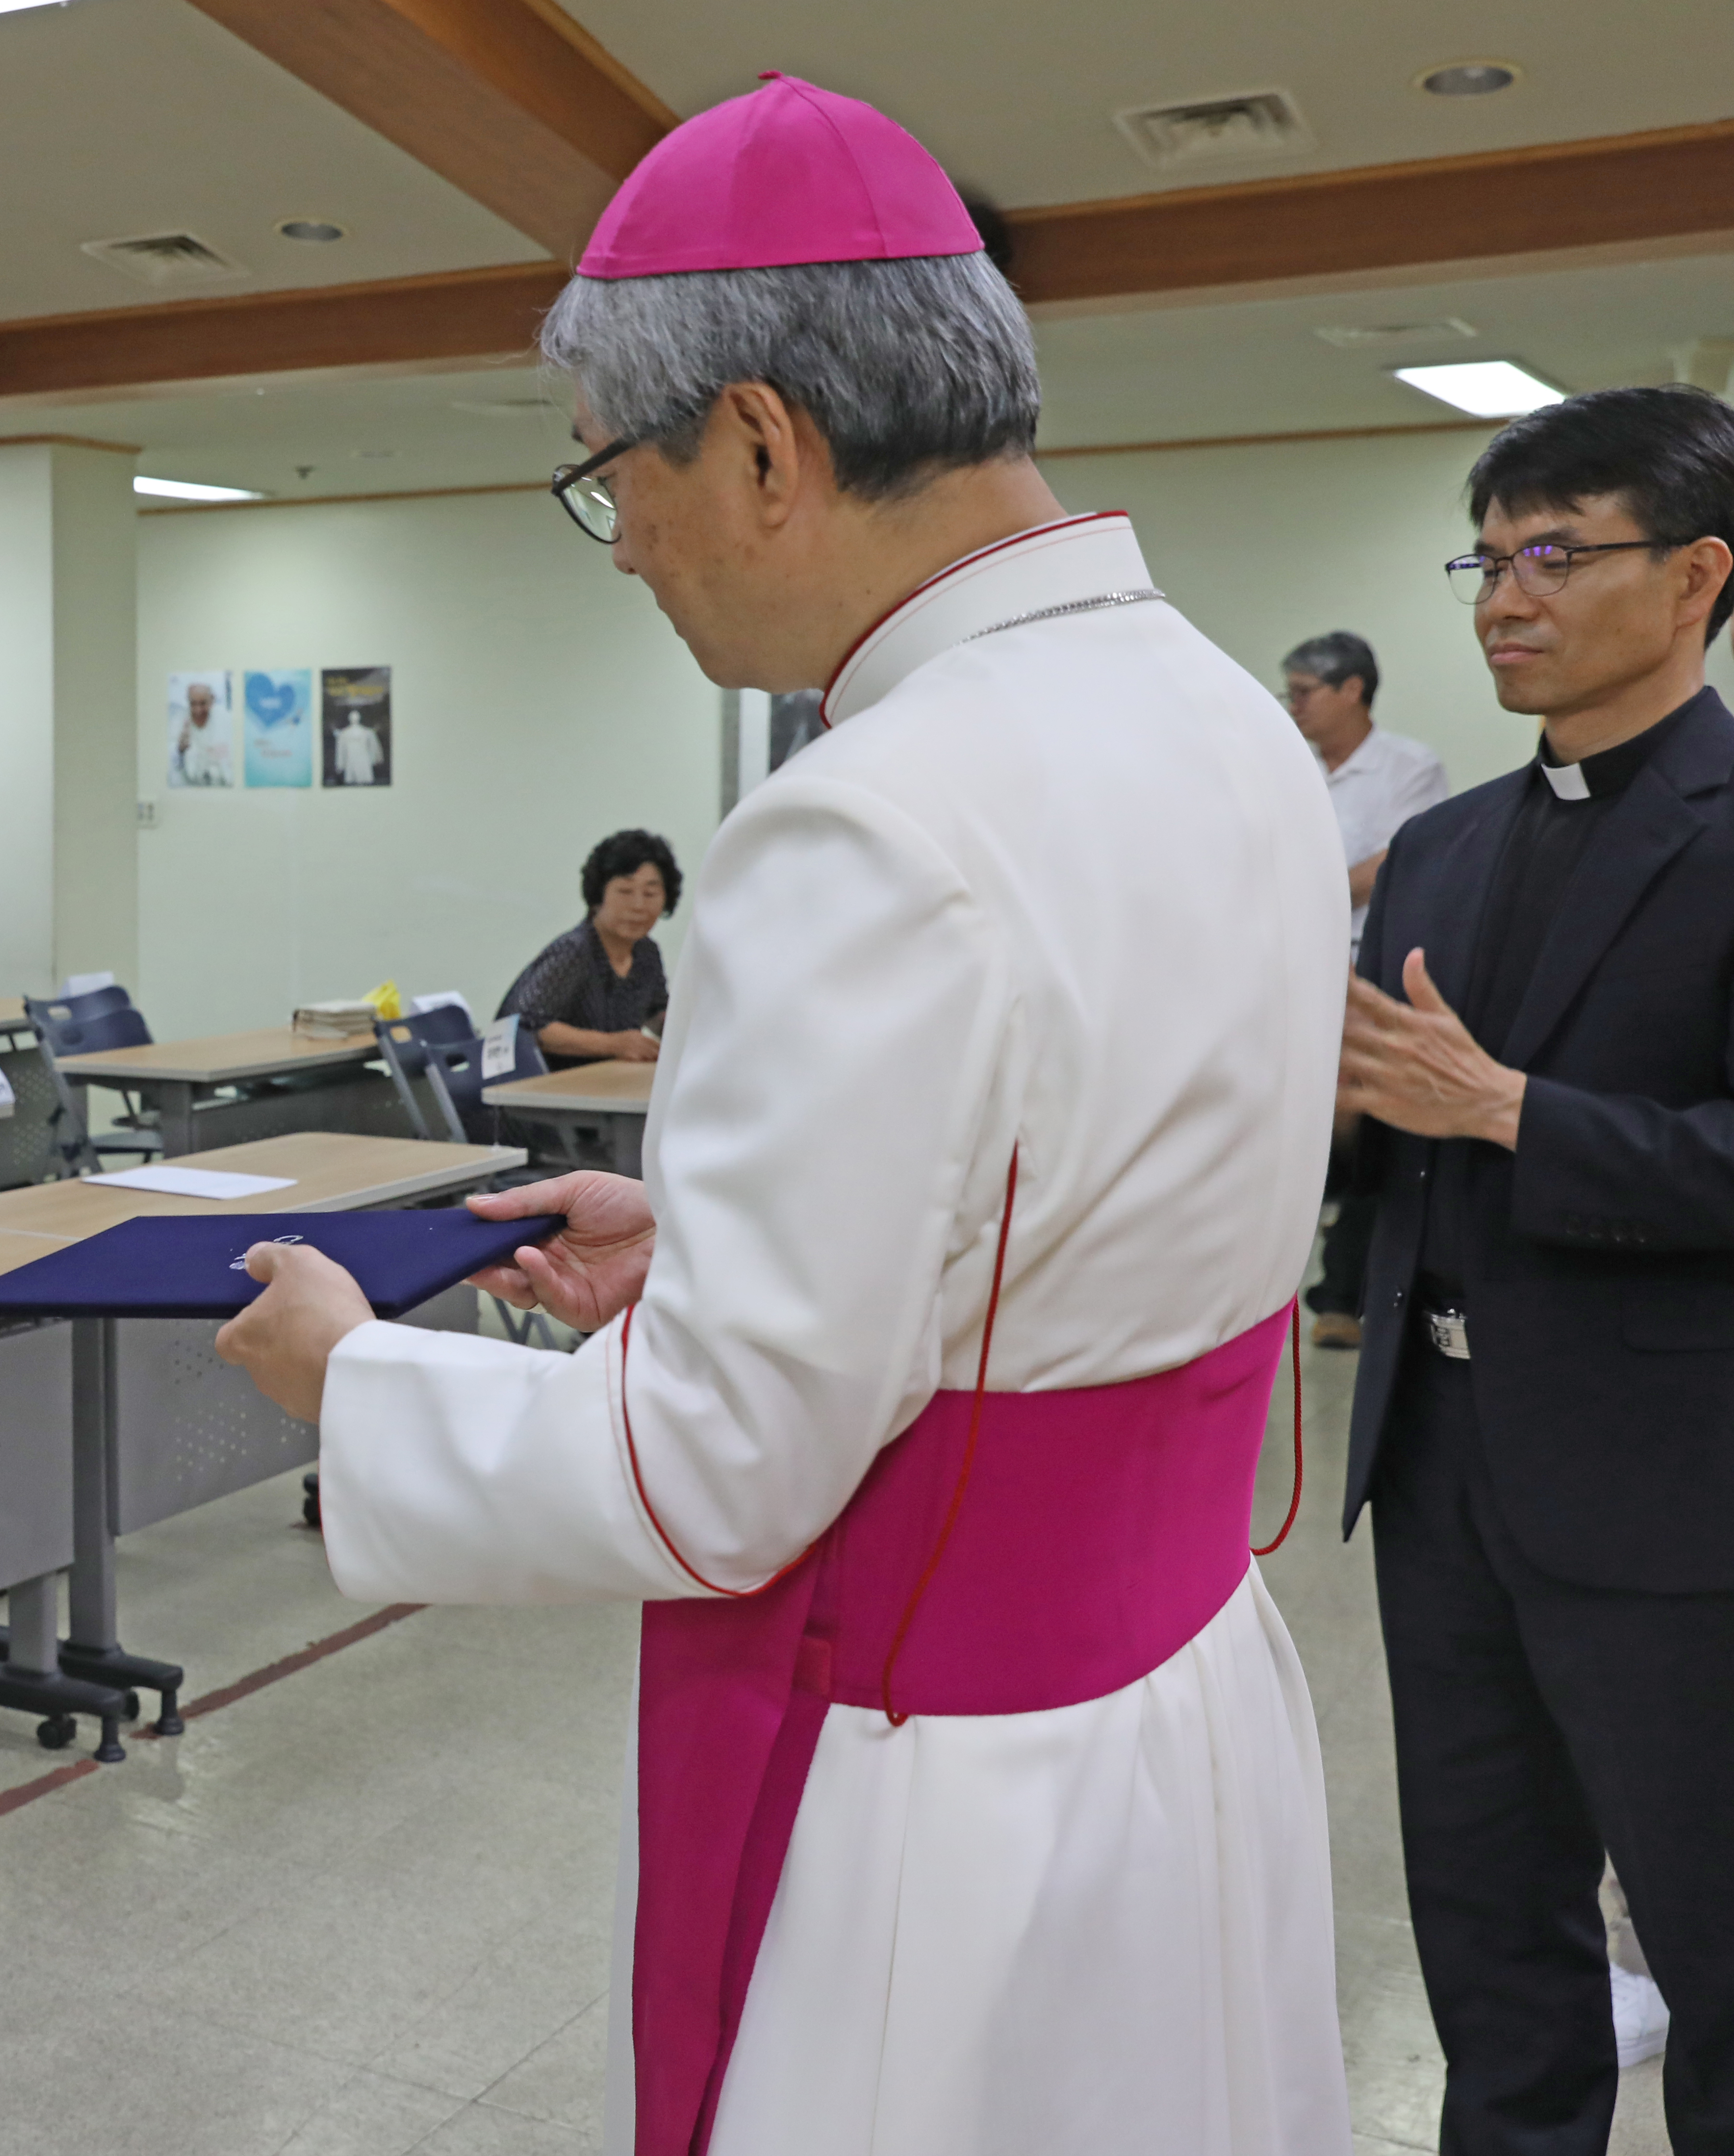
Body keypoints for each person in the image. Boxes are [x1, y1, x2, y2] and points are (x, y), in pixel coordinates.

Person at [214, 76, 1347, 2156]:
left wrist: (357, 1380)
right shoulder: (1215, 711)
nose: (624, 545)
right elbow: (1062, 1217)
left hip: (944, 1767)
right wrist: (714, 1262)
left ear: (755, 441)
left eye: (607, 482)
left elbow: (709, 1481)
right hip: (1170, 1682)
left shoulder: (861, 821)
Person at [1336, 382, 1734, 2156]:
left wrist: (1507, 1110)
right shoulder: (1436, 844)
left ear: (1693, 577)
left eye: (1552, 554)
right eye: (1483, 558)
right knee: (1487, 1943)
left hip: (1666, 1503)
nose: (1501, 595)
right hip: (1430, 1474)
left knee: (1712, 1951)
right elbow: (1380, 1133)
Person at [1282, 633, 1448, 1351]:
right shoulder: (1283, 763)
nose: (1291, 707)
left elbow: (1395, 865)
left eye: (1303, 692)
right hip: (1287, 967)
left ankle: (1341, 1295)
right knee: (1289, 1127)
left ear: (1351, 690)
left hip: (1369, 971)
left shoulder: (1409, 768)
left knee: (1367, 1124)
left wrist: (1304, 891)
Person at [496, 829, 679, 1066]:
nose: (638, 905)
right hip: (543, 1087)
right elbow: (525, 1024)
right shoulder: (575, 951)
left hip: (604, 1082)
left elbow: (656, 1012)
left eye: (651, 893)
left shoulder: (647, 952)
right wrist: (614, 1044)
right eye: (625, 891)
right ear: (598, 896)